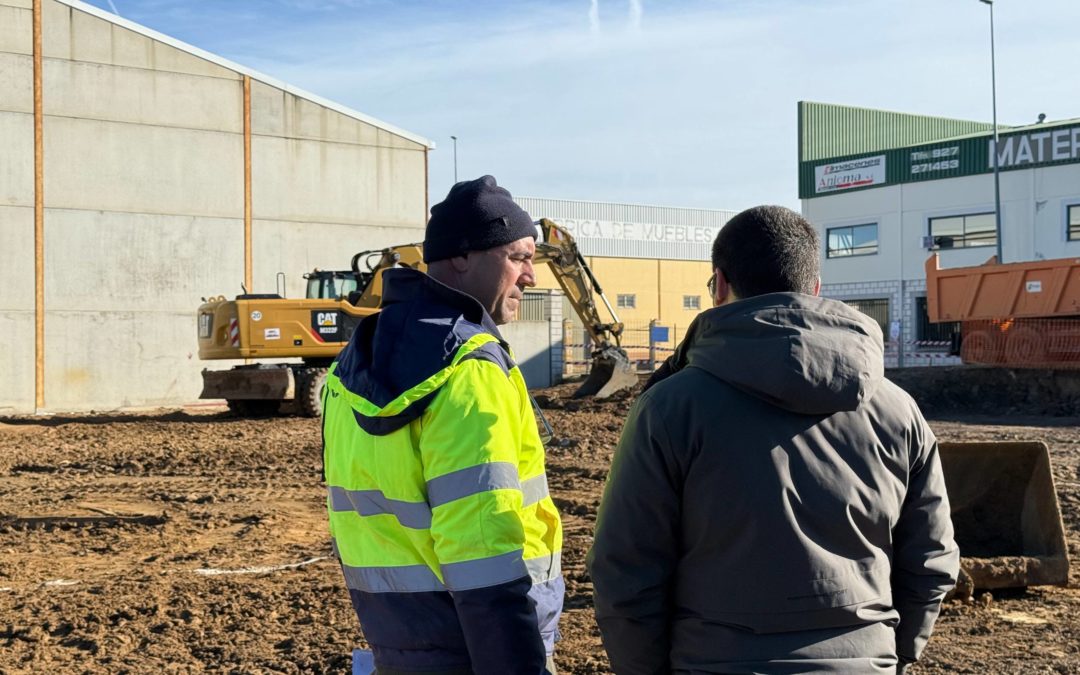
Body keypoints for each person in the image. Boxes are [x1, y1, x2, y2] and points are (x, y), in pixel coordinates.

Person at [587, 205, 959, 674]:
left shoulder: (670, 408)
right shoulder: (898, 411)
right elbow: (931, 559)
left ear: (719, 284)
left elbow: (624, 570)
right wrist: (892, 655)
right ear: (815, 288)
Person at [322, 175, 564, 675]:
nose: (531, 276)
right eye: (519, 257)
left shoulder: (348, 370)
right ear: (463, 256)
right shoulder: (471, 370)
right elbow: (482, 545)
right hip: (484, 651)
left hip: (398, 641)